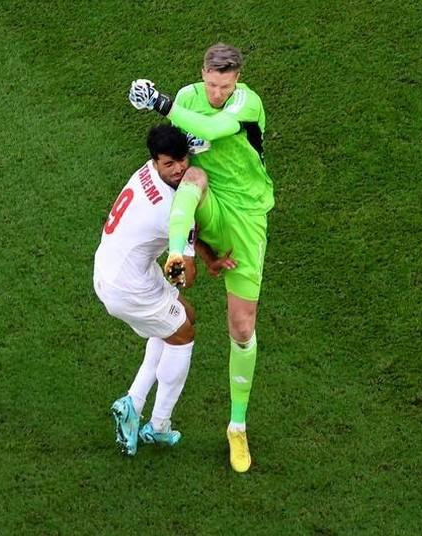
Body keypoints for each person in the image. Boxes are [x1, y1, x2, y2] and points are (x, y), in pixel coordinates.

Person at [128, 43, 273, 472]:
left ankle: (237, 427)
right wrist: (168, 113)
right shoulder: (191, 97)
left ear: (237, 81)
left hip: (247, 217)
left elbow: (219, 128)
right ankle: (178, 253)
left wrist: (160, 103)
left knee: (242, 328)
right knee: (191, 176)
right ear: (203, 74)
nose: (217, 94)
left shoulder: (248, 104)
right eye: (212, 84)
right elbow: (175, 146)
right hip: (211, 201)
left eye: (225, 86)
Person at [93, 124, 234, 456]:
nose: (179, 169)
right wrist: (195, 266)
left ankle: (132, 404)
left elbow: (186, 230)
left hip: (115, 267)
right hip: (128, 288)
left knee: (184, 315)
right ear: (155, 161)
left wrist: (210, 257)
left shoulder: (148, 174)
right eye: (169, 164)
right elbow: (188, 277)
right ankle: (158, 425)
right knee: (183, 334)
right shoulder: (170, 211)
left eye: (182, 160)